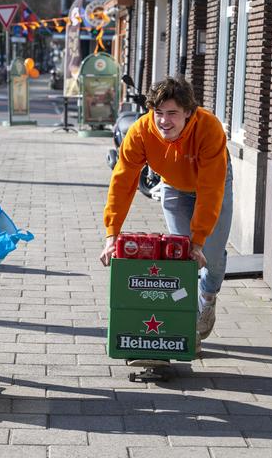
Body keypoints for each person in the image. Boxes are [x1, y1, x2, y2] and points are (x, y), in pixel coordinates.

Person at [99, 77, 232, 352]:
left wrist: (199, 240)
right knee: (183, 258)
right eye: (158, 113)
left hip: (213, 181)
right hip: (174, 185)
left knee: (212, 257)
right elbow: (122, 183)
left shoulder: (209, 129)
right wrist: (112, 235)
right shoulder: (141, 132)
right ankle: (186, 329)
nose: (164, 121)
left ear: (188, 112)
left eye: (172, 113)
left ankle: (207, 298)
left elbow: (210, 190)